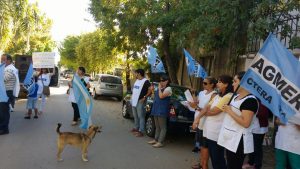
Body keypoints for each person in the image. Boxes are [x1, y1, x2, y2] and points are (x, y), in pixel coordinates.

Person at [217, 71, 259, 169]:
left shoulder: (250, 100)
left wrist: (229, 111)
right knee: (230, 165)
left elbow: (246, 123)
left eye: (235, 81)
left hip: (238, 141)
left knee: (234, 166)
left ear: (244, 83)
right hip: (230, 138)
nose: (232, 84)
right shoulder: (235, 97)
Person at [201, 74, 233, 169]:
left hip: (217, 132)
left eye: (220, 82)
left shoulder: (228, 96)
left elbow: (214, 111)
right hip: (209, 131)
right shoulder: (218, 95)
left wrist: (204, 111)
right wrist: (205, 110)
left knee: (217, 158)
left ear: (226, 84)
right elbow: (207, 106)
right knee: (214, 158)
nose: (217, 84)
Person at [190, 77, 217, 169]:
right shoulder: (201, 93)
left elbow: (207, 110)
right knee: (201, 146)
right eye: (203, 83)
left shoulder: (214, 95)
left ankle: (204, 165)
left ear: (212, 84)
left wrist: (196, 108)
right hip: (199, 122)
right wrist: (193, 94)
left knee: (205, 147)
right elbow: (196, 102)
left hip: (206, 123)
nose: (203, 84)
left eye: (205, 83)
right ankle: (201, 164)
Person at [243, 102, 270, 169]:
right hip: (252, 128)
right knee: (251, 146)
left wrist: (252, 111)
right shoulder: (253, 98)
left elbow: (264, 114)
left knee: (257, 148)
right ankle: (251, 162)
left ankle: (258, 165)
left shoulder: (262, 100)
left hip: (259, 129)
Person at [147, 74, 172, 148]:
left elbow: (161, 96)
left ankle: (160, 142)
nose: (161, 82)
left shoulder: (168, 89)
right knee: (157, 126)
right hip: (156, 108)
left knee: (162, 127)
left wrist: (159, 88)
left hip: (162, 110)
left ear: (167, 81)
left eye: (163, 80)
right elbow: (154, 97)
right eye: (160, 80)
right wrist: (152, 91)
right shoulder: (159, 88)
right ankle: (156, 139)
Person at [130, 69, 151, 137]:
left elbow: (151, 89)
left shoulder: (146, 81)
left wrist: (145, 97)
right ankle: (136, 128)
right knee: (135, 115)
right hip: (134, 101)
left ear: (139, 73)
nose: (135, 74)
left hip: (140, 101)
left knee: (141, 116)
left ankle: (141, 131)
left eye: (136, 73)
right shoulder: (137, 80)